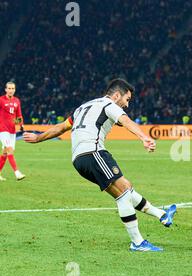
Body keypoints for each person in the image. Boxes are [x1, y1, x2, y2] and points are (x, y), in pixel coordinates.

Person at [23, 79, 177, 252]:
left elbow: (61, 127)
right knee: (124, 192)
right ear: (117, 95)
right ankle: (138, 242)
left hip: (79, 160)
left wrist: (38, 137)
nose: (126, 105)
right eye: (127, 99)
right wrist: (144, 137)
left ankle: (162, 215)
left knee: (123, 189)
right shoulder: (109, 105)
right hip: (93, 152)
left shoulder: (83, 107)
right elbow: (127, 122)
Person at [0, 82, 26, 181]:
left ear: (14, 90)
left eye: (13, 88)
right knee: (9, 149)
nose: (11, 90)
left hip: (12, 131)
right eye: (9, 88)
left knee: (5, 153)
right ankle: (17, 173)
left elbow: (18, 115)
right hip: (3, 130)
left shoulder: (17, 101)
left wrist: (21, 125)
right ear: (5, 89)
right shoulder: (1, 100)